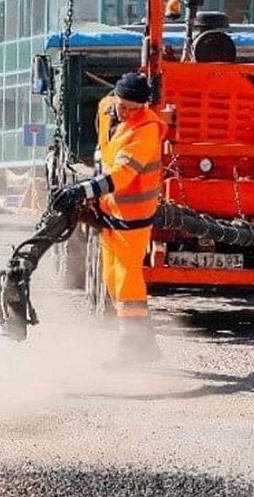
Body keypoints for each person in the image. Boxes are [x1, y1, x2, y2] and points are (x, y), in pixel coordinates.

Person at [52, 72, 167, 363]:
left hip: (133, 216)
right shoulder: (107, 109)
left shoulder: (146, 130)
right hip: (111, 212)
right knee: (112, 278)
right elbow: (104, 151)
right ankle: (145, 343)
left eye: (132, 108)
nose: (124, 111)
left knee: (127, 277)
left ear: (143, 107)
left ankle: (132, 347)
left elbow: (122, 175)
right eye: (122, 104)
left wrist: (82, 190)